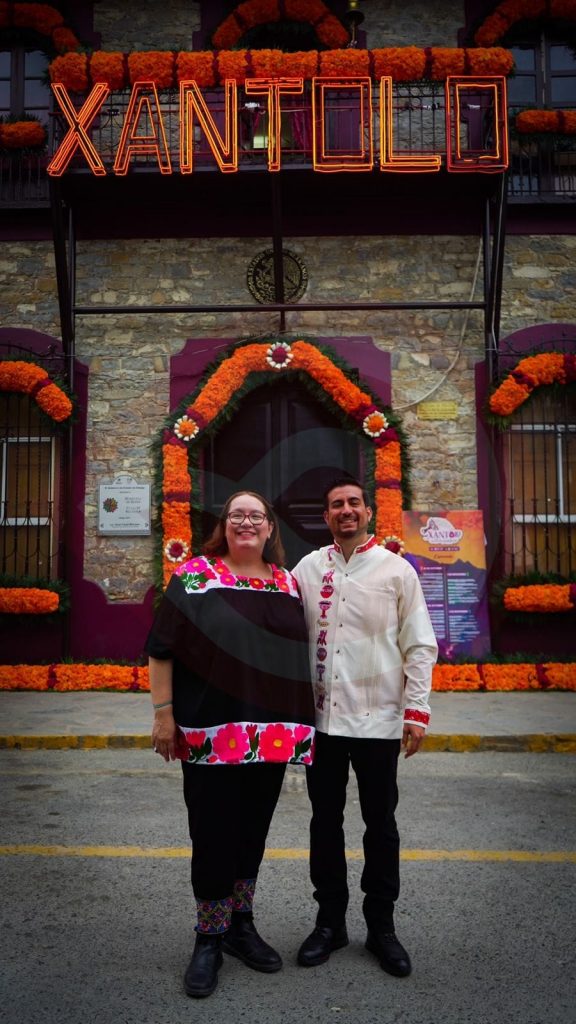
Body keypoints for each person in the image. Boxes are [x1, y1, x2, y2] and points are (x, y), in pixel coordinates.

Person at [145, 491, 315, 998]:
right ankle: (209, 938)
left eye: (256, 516)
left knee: (251, 835)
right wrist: (163, 714)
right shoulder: (195, 577)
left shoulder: (286, 583)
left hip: (270, 737)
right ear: (225, 524)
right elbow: (161, 649)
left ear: (269, 528)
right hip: (210, 736)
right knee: (213, 836)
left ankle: (241, 926)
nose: (246, 522)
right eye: (236, 514)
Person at [291, 477, 437, 978]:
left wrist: (416, 710)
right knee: (324, 823)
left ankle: (382, 928)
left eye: (354, 502)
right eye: (336, 504)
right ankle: (329, 923)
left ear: (368, 512)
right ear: (326, 516)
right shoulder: (309, 568)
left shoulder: (396, 570)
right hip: (323, 722)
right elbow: (279, 626)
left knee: (381, 825)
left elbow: (419, 644)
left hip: (378, 721)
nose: (346, 510)